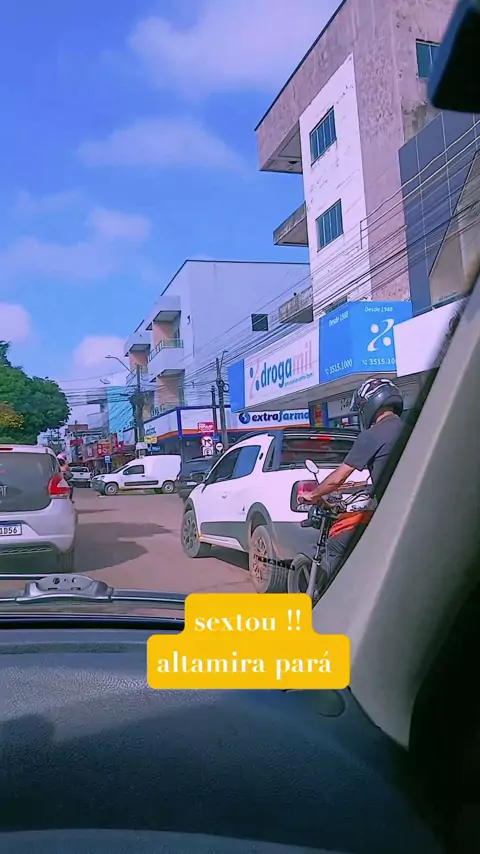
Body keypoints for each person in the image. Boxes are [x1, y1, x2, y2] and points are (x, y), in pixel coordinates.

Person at [301, 376, 408, 580]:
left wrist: (313, 495)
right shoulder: (410, 428)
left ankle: (339, 591)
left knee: (335, 543)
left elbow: (337, 478)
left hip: (392, 514)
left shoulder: (373, 434)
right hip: (412, 507)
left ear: (368, 405)